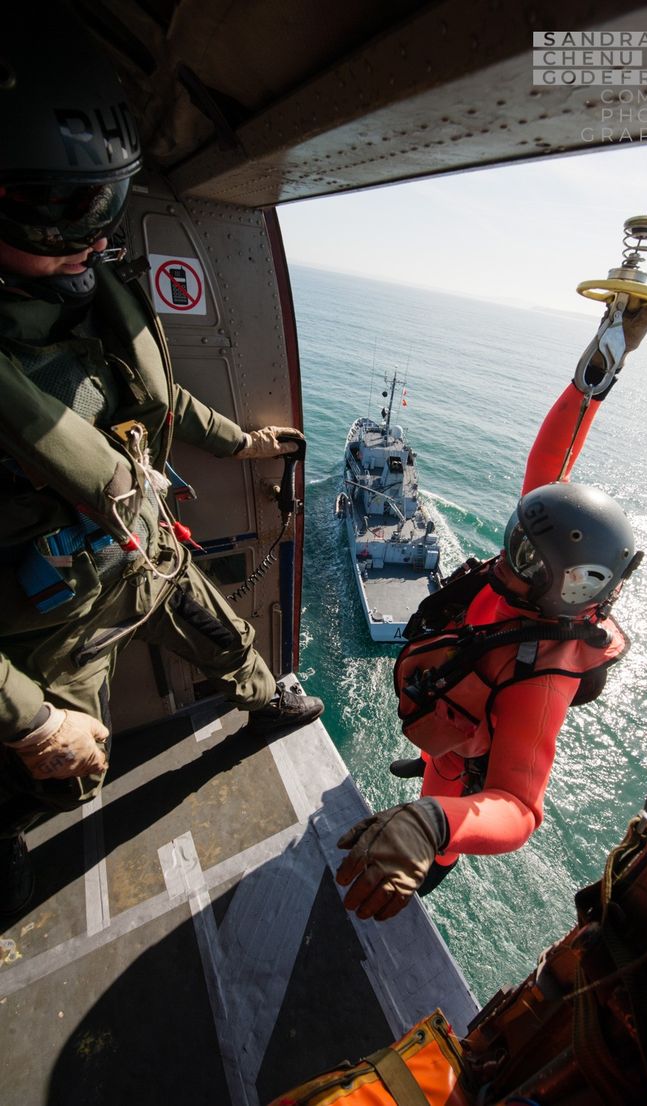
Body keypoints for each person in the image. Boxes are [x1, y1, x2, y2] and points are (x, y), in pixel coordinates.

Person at [0, 16, 322, 915]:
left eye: (106, 205)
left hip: (145, 556)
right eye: (61, 211)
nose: (93, 240)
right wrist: (30, 722)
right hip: (47, 632)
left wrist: (246, 444)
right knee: (63, 778)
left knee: (231, 647)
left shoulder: (84, 295)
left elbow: (158, 402)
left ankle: (264, 699)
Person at [336, 301, 647, 922]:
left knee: (442, 785)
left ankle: (429, 872)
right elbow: (549, 467)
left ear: (563, 587)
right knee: (442, 751)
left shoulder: (542, 674)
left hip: (464, 759)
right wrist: (599, 366)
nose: (504, 557)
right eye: (517, 540)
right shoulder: (531, 572)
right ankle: (433, 760)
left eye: (521, 555)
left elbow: (516, 806)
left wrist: (435, 822)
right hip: (454, 704)